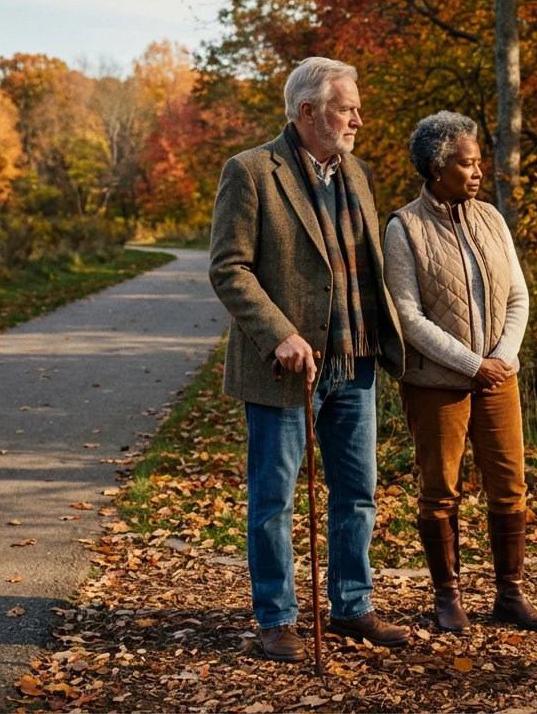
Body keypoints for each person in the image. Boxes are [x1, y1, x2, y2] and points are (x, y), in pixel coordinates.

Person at [208, 57, 410, 661]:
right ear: (308, 112)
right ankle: (277, 619)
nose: (357, 118)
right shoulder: (250, 171)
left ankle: (352, 607)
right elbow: (228, 267)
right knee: (274, 497)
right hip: (287, 370)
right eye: (347, 107)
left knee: (359, 492)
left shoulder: (360, 173)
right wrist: (279, 334)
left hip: (357, 362)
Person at [383, 110, 537, 634]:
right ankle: (447, 596)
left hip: (499, 380)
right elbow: (407, 317)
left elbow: (518, 295)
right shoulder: (403, 227)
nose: (478, 172)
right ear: (437, 167)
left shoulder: (493, 219)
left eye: (479, 163)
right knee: (440, 490)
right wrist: (471, 364)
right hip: (437, 386)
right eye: (467, 163)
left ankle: (510, 594)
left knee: (510, 487)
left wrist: (501, 359)